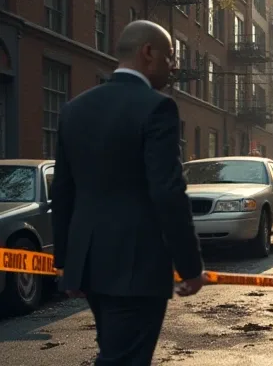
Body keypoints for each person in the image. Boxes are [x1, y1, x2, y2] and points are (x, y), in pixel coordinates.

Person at [51, 20, 207, 365]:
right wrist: (191, 266)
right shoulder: (157, 107)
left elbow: (62, 191)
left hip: (89, 263)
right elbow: (168, 192)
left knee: (115, 352)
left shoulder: (74, 109)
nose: (174, 66)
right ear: (147, 53)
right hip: (137, 266)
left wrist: (66, 264)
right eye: (170, 57)